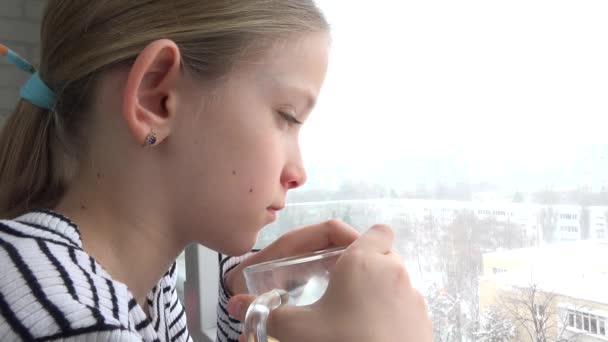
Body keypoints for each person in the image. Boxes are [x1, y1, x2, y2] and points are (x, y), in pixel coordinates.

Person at [0, 0, 433, 341]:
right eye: (286, 116)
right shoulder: (72, 323)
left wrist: (241, 304)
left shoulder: (145, 283)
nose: (298, 172)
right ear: (157, 98)